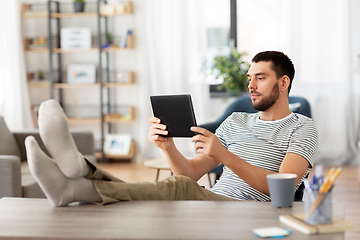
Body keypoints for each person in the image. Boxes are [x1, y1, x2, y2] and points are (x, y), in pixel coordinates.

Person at [25, 51, 318, 207]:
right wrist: (168, 147)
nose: (251, 85)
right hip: (211, 202)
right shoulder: (236, 121)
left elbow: (281, 187)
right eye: (249, 77)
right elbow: (189, 174)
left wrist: (226, 157)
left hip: (242, 209)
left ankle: (79, 178)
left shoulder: (302, 128)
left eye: (261, 78)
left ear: (283, 83)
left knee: (175, 189)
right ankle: (76, 180)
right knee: (178, 187)